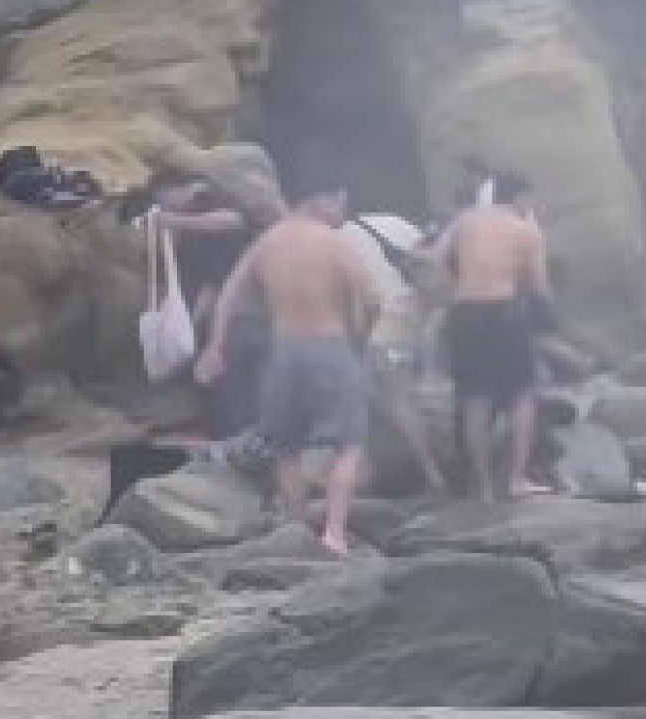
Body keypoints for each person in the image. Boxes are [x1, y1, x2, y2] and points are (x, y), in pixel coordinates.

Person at [196, 184, 376, 555]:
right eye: (341, 199)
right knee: (349, 444)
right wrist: (359, 337)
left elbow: (229, 293)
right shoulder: (333, 242)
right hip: (330, 346)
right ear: (322, 199)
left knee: (286, 446)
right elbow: (371, 297)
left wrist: (215, 345)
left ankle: (296, 528)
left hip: (283, 351)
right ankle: (334, 533)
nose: (343, 208)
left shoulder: (267, 243)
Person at [435, 172, 555, 502]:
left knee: (475, 398)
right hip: (504, 313)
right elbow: (539, 284)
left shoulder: (465, 222)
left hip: (464, 313)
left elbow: (439, 259)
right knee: (521, 396)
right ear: (520, 199)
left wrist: (456, 288)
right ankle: (516, 479)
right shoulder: (526, 230)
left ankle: (484, 484)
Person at [142, 170, 271, 439]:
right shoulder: (193, 215)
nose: (163, 205)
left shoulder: (210, 199)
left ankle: (233, 436)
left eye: (162, 198)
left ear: (177, 188)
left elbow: (232, 221)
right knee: (219, 377)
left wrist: (173, 221)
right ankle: (225, 433)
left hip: (240, 314)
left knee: (226, 376)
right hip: (224, 312)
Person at [339, 212, 450, 498]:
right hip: (391, 342)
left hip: (390, 340)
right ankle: (432, 475)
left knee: (398, 403)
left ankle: (430, 474)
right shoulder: (431, 262)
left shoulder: (425, 261)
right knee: (399, 404)